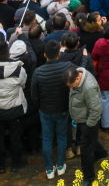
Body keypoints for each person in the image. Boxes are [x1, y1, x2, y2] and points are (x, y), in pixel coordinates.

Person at [31, 39, 72, 180]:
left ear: (44, 55)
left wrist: (40, 107)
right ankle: (60, 166)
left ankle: (49, 169)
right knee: (62, 136)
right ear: (59, 54)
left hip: (46, 111)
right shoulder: (67, 67)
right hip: (62, 109)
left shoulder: (38, 72)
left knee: (47, 140)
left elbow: (34, 96)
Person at [0, 40, 28, 173]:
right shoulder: (18, 69)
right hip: (14, 109)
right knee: (15, 138)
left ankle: (0, 165)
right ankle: (16, 163)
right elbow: (23, 84)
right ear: (9, 53)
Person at [64, 65, 104, 186]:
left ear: (77, 79)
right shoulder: (77, 78)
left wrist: (88, 126)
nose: (72, 89)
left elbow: (96, 110)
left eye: (72, 86)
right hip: (81, 119)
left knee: (85, 151)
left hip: (89, 121)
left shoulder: (88, 87)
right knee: (88, 141)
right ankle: (101, 152)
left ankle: (89, 178)